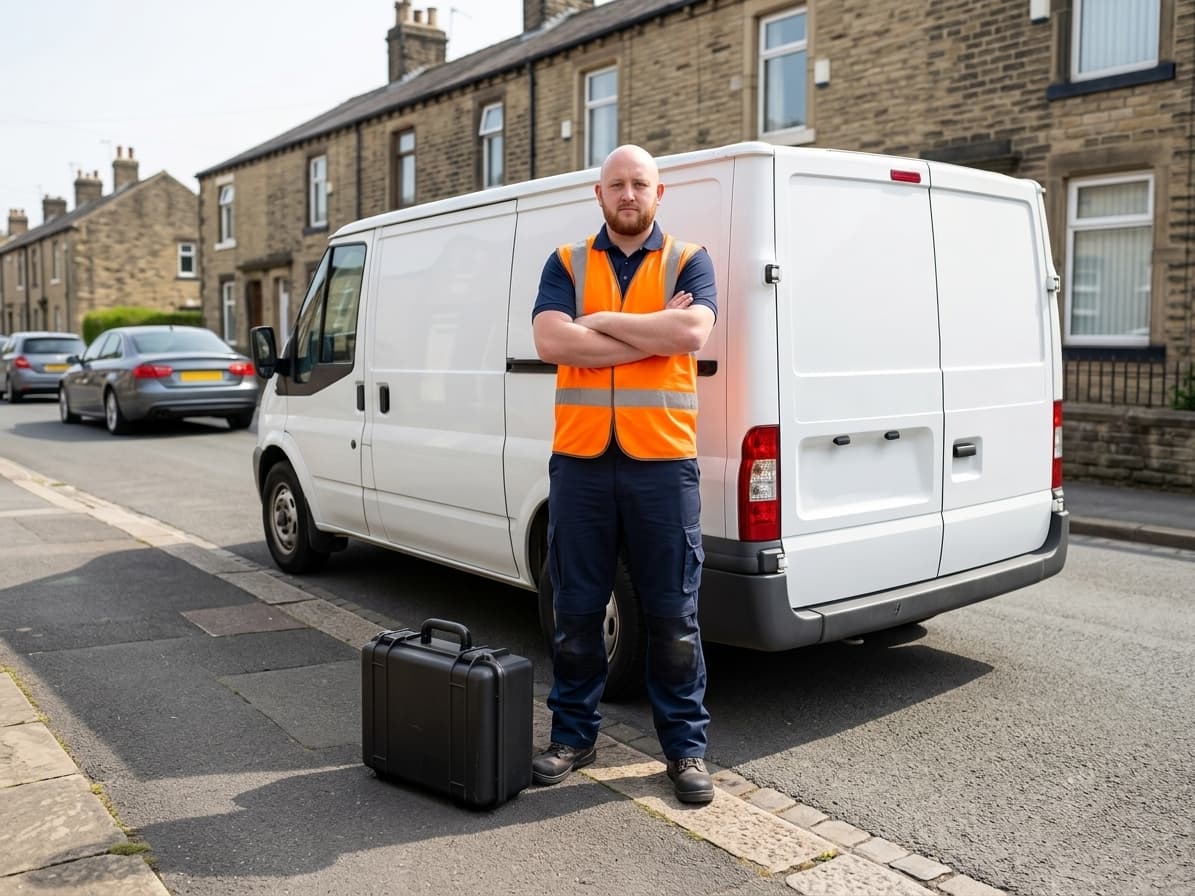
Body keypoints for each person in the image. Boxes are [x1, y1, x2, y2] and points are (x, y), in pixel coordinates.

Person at [530, 144, 718, 804]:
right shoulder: (566, 262)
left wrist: (602, 323)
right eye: (617, 184)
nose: (628, 194)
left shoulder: (689, 259)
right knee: (576, 610)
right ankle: (571, 737)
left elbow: (691, 336)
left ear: (658, 193)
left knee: (673, 618)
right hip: (580, 464)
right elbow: (552, 342)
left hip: (662, 466)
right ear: (599, 194)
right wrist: (650, 329)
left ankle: (685, 750)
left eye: (640, 183)